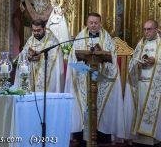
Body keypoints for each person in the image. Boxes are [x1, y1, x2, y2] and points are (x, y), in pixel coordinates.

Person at [65, 12, 125, 144]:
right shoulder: (80, 37)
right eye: (90, 23)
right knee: (84, 106)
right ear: (87, 23)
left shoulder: (107, 38)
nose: (93, 25)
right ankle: (83, 138)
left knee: (101, 106)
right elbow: (74, 57)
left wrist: (101, 52)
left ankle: (102, 136)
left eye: (95, 23)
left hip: (101, 80)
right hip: (84, 79)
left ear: (100, 23)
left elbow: (112, 58)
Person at [124, 19, 161, 146]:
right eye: (144, 29)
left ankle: (154, 139)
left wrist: (155, 61)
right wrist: (139, 64)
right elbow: (133, 62)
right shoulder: (141, 44)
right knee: (140, 111)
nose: (146, 32)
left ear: (156, 29)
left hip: (155, 86)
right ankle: (139, 139)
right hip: (141, 84)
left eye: (149, 29)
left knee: (153, 113)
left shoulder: (160, 44)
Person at [14, 19, 64, 92]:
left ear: (44, 28)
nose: (36, 33)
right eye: (34, 30)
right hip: (32, 76)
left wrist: (42, 57)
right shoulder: (31, 40)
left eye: (38, 30)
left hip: (46, 79)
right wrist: (28, 56)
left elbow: (57, 55)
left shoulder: (52, 40)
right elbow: (23, 53)